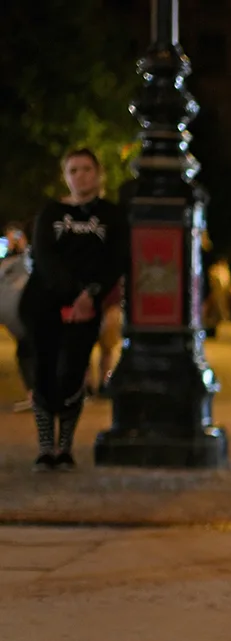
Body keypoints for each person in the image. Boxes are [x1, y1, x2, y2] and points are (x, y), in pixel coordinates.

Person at [18, 148, 127, 471]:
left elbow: (115, 260)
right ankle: (45, 447)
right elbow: (44, 258)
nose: (80, 176)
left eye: (86, 169)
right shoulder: (50, 213)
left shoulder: (111, 216)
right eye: (73, 170)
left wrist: (90, 295)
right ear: (65, 176)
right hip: (44, 305)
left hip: (88, 307)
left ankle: (65, 446)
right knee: (45, 373)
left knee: (72, 373)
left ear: (99, 173)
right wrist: (71, 294)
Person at [0, 223, 34, 411]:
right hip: (16, 314)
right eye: (9, 237)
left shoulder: (30, 257)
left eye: (17, 236)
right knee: (25, 353)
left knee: (30, 353)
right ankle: (34, 395)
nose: (13, 241)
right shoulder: (6, 261)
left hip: (32, 313)